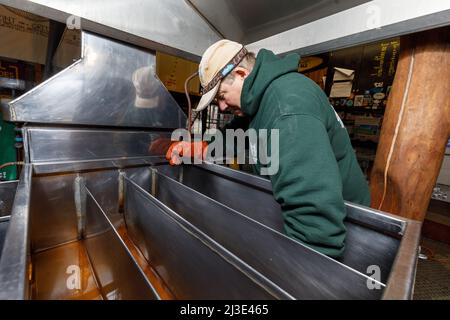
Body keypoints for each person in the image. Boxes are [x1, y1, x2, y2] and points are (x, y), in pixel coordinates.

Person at [166, 40, 371, 259]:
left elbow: (315, 218)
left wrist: (299, 273)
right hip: (311, 217)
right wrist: (198, 149)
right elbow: (236, 137)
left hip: (343, 228)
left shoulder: (287, 108)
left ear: (242, 74)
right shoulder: (259, 99)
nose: (223, 106)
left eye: (222, 96)